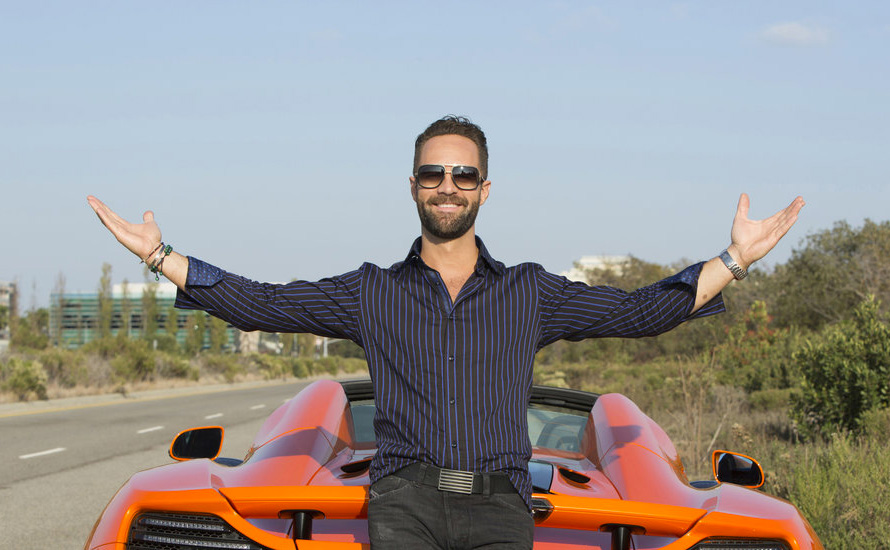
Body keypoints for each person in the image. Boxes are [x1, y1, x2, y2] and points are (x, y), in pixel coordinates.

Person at [87, 115, 804, 550]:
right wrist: (159, 256)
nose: (448, 184)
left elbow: (640, 313)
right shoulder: (371, 292)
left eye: (464, 173)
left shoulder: (531, 292)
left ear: (485, 189)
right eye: (434, 172)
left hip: (502, 503)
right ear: (413, 185)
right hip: (403, 502)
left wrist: (734, 259)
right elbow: (260, 304)